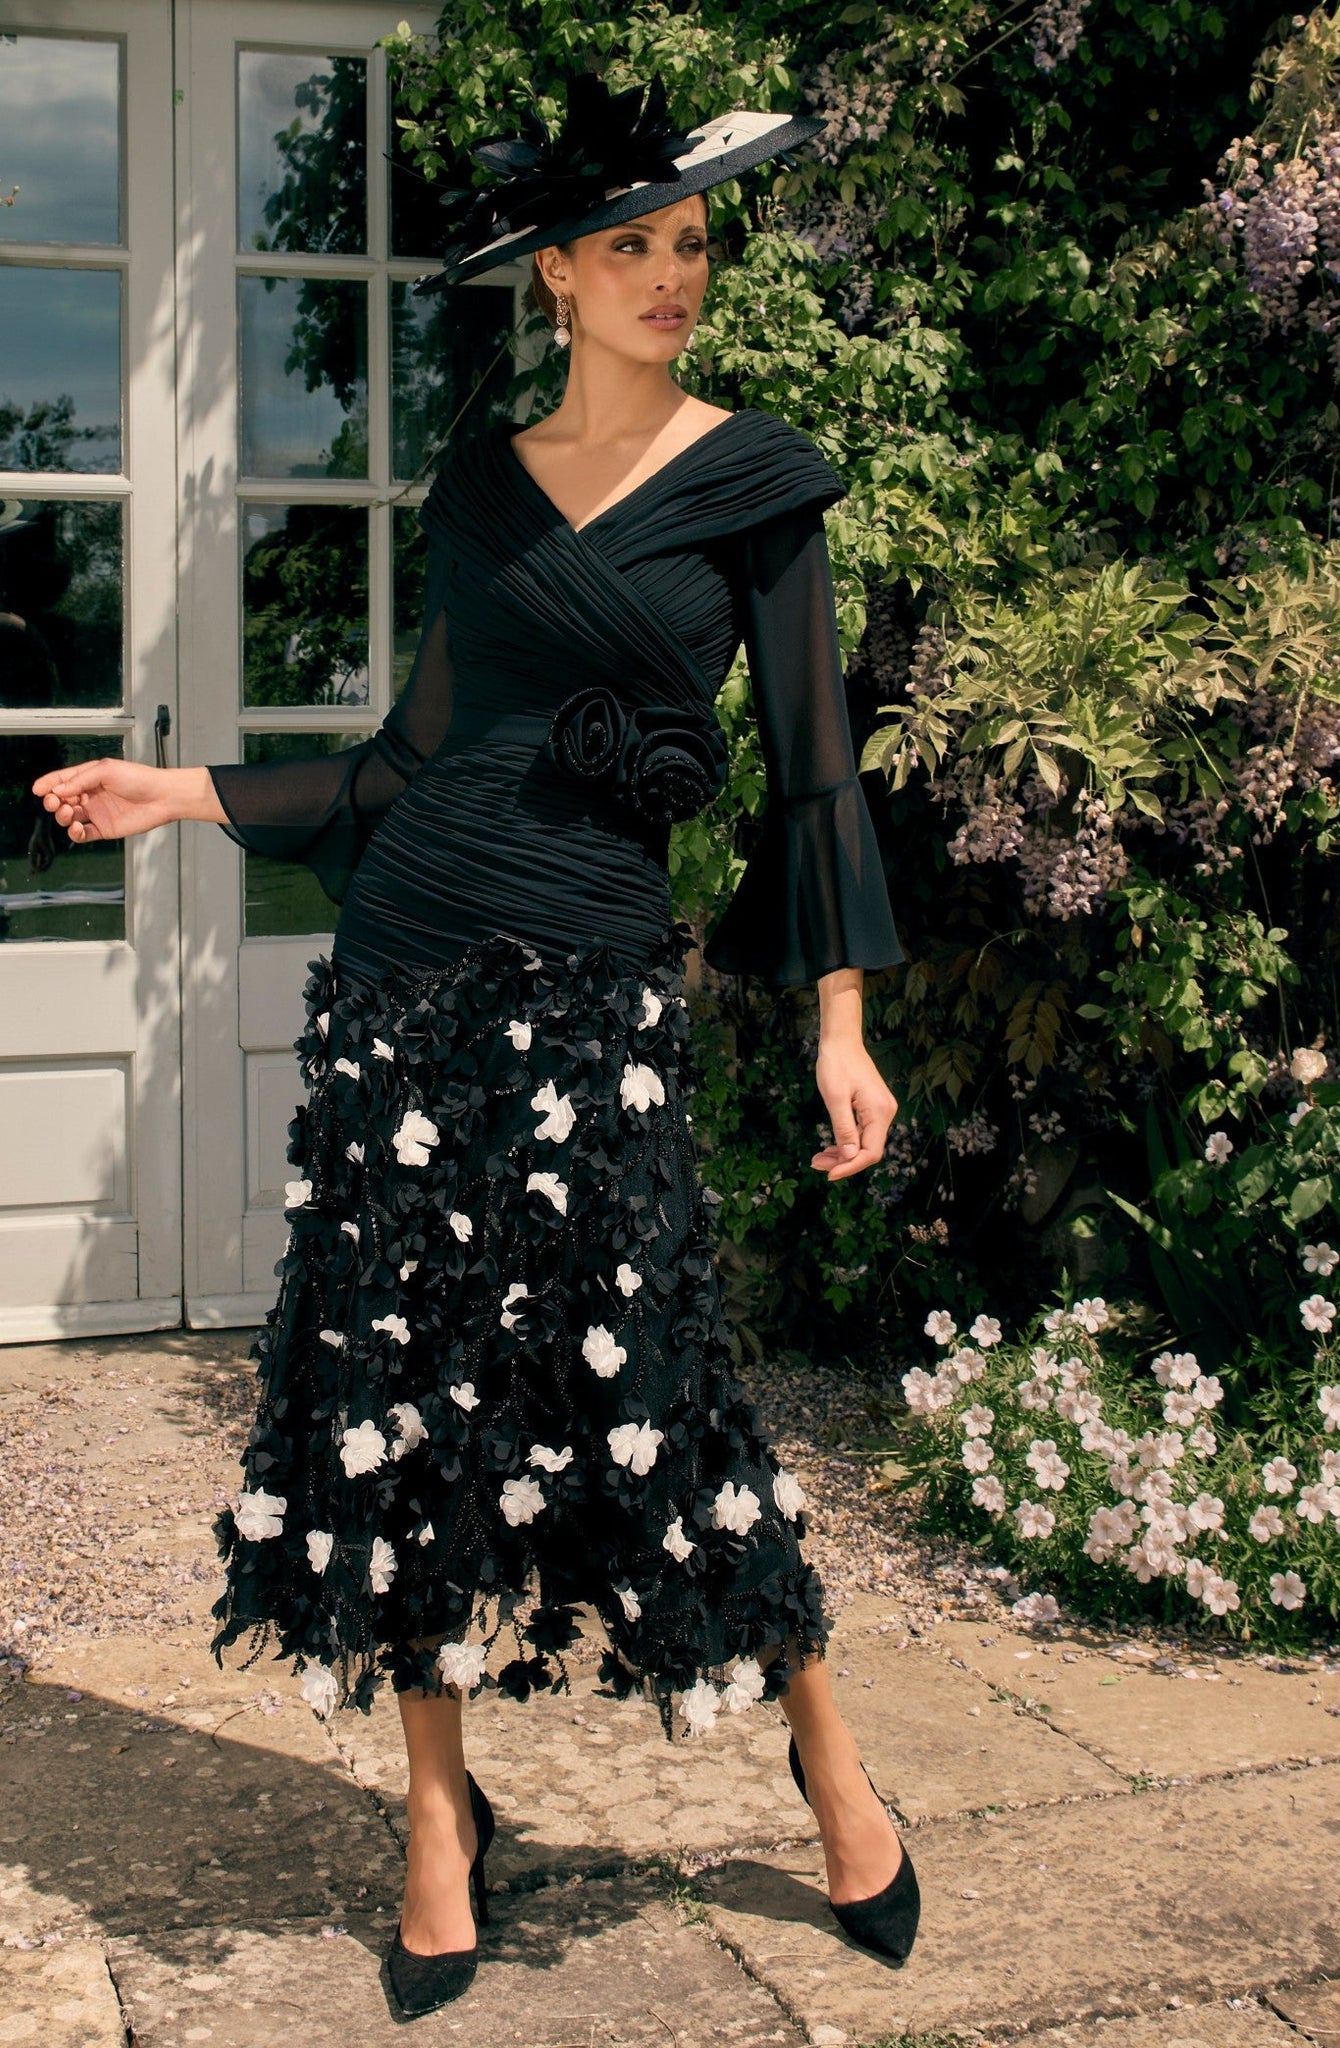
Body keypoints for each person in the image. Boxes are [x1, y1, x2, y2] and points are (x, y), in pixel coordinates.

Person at [32, 63, 920, 2017]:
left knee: (667, 1370)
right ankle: (441, 1818)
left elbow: (814, 775)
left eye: (689, 242)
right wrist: (180, 794)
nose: (675, 274)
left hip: (596, 978)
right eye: (636, 248)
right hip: (411, 970)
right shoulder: (482, 489)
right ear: (561, 283)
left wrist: (838, 1020)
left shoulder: (758, 483)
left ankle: (827, 1757)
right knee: (396, 1383)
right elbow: (403, 758)